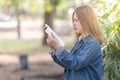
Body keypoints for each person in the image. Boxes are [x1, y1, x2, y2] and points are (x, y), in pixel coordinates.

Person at [47, 5, 105, 80]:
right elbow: (68, 63)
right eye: (73, 20)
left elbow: (76, 63)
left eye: (77, 20)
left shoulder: (93, 43)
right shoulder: (80, 41)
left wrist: (58, 48)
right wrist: (54, 48)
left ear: (86, 21)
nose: (74, 23)